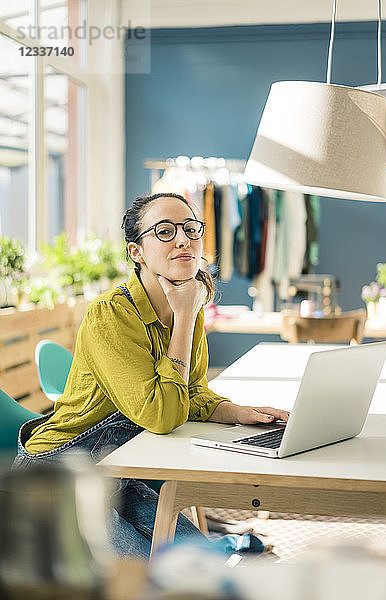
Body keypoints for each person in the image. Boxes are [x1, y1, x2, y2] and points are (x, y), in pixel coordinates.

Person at [14, 192, 289, 559]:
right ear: (136, 252)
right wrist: (187, 319)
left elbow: (189, 393)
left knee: (203, 566)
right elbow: (162, 415)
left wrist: (236, 412)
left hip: (118, 474)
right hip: (58, 478)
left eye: (191, 228)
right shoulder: (110, 315)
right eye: (164, 231)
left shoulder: (188, 303)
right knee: (155, 580)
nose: (183, 239)